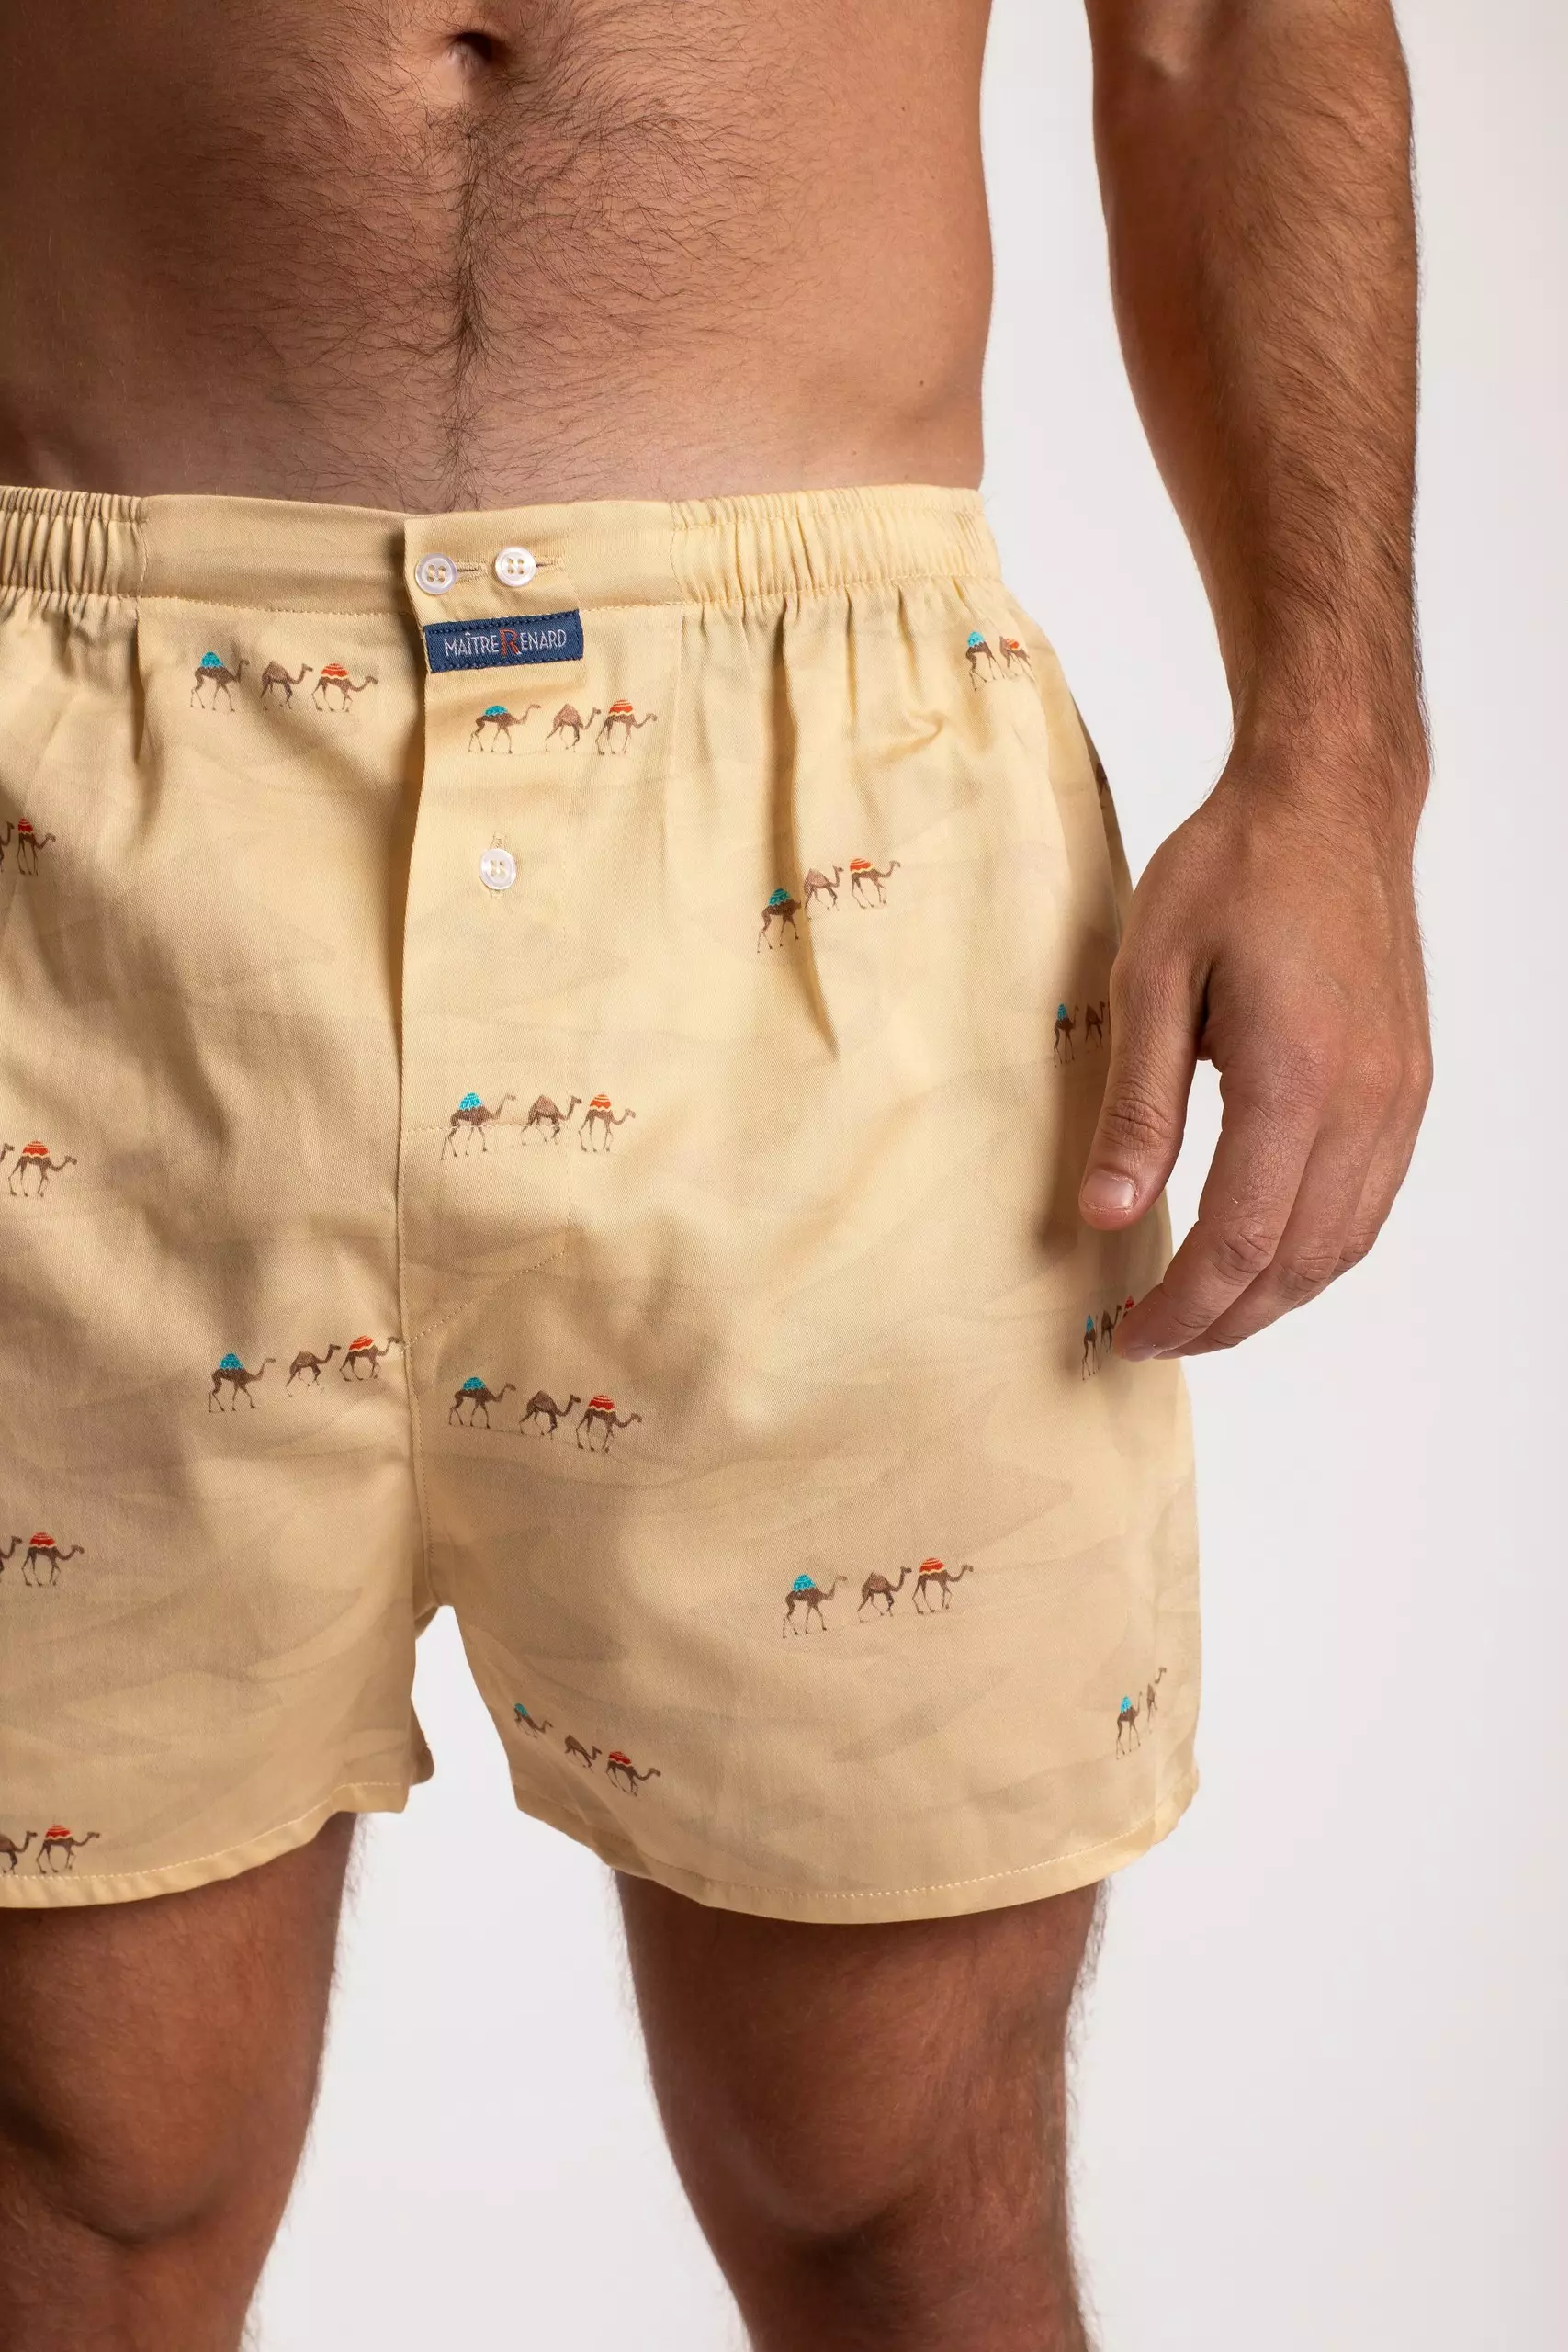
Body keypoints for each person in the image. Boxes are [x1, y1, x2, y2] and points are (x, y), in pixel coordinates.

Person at [0, 3, 1430, 2345]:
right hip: (77, 802)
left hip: (830, 819)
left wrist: (1338, 767)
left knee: (894, 2193)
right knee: (68, 2185)